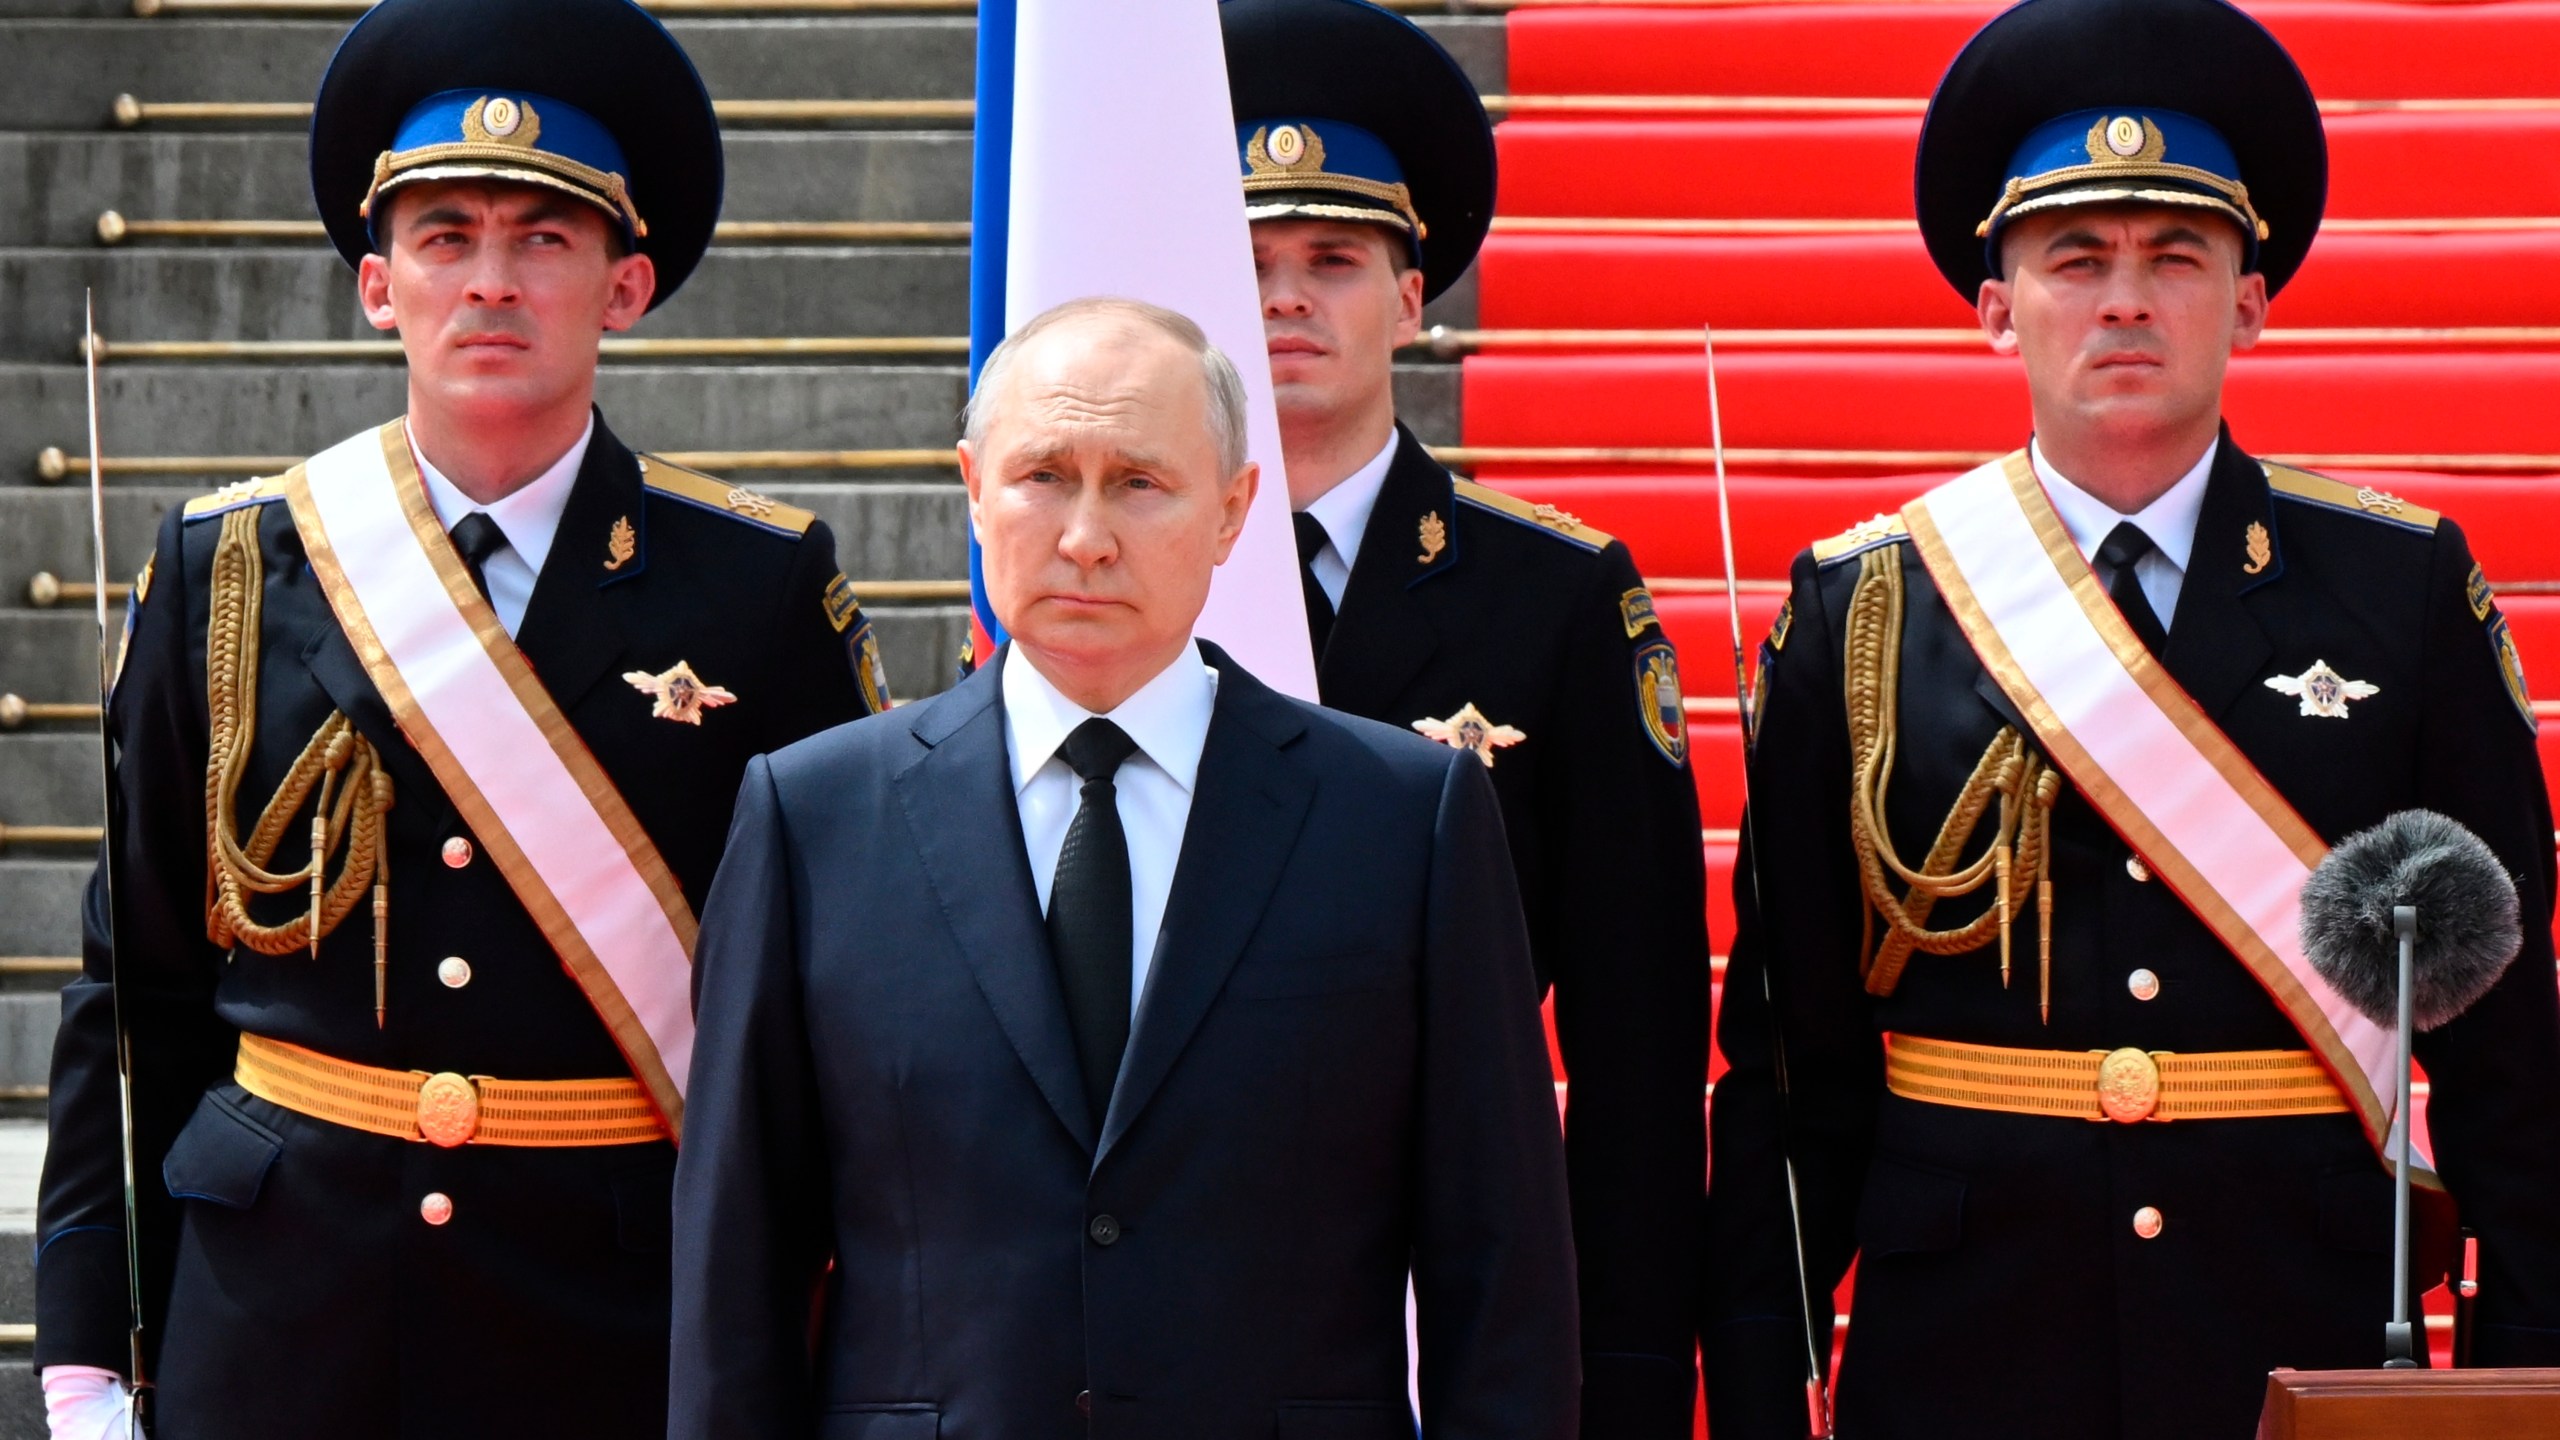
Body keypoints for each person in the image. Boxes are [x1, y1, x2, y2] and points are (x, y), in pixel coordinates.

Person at [1701, 0, 2560, 1434]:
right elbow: (1797, 1073)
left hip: (2298, 1324)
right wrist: (1754, 1364)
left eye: (2179, 258)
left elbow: (2503, 1058)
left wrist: (2529, 1375)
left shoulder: (2400, 590)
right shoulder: (1867, 608)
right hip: (1967, 1349)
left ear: (2254, 300)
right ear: (1995, 305)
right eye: (2075, 259)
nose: (2126, 299)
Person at [33, 1, 884, 1435]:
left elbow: (835, 1007)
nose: (491, 280)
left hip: (610, 1318)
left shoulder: (759, 584)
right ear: (378, 285)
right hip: (278, 1314)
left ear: (626, 285)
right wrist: (86, 1362)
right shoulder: (227, 568)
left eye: (544, 240)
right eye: (445, 238)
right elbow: (133, 999)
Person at [670, 296, 1579, 1438]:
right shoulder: (814, 819)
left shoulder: (1403, 819)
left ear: (1232, 511)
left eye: (1140, 483)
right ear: (972, 486)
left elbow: (1499, 1274)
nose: (1085, 535)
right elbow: (737, 1275)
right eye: (1043, 474)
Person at [1222, 3, 1711, 1429]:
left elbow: (1635, 1032)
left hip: (1458, 1279)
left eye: (1333, 260)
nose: (1287, 300)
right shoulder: (1112, 576)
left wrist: (1624, 1373)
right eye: (1250, 263)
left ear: (1413, 294)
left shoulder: (1552, 598)